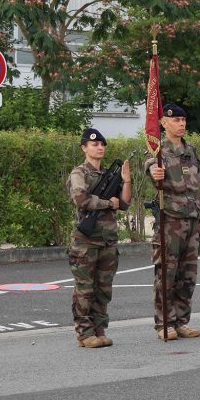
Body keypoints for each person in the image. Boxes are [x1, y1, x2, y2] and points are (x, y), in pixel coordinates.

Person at [67, 128, 131, 348]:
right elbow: (81, 199)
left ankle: (100, 329)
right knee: (85, 289)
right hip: (86, 242)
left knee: (104, 289)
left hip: (107, 241)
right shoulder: (79, 173)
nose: (99, 148)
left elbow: (124, 203)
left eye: (102, 144)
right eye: (94, 144)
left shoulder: (109, 176)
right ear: (84, 148)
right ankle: (84, 333)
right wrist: (106, 203)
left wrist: (127, 180)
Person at [146, 104, 200, 340]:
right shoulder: (157, 149)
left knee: (188, 274)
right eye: (176, 120)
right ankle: (164, 323)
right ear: (164, 123)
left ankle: (181, 320)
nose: (181, 124)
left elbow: (196, 183)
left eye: (183, 120)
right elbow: (149, 166)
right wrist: (154, 172)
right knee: (167, 274)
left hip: (191, 218)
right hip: (170, 220)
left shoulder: (191, 150)